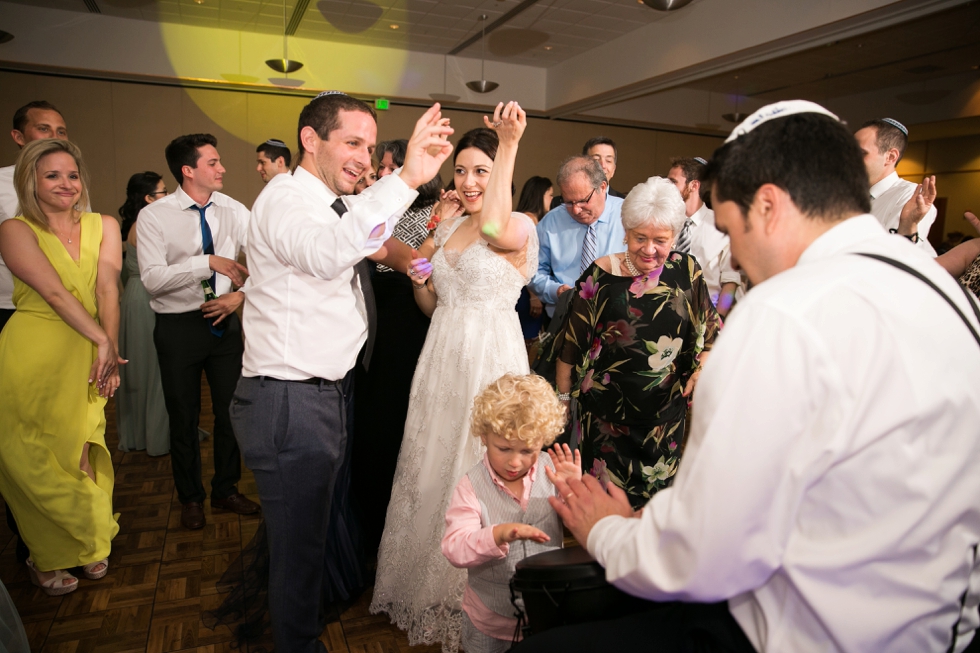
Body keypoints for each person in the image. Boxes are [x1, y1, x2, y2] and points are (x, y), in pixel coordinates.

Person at [514, 101, 980, 653]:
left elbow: (701, 558)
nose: (732, 259)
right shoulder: (941, 289)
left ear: (768, 205)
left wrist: (606, 529)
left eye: (731, 231)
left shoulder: (783, 313)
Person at [230, 91, 453, 653]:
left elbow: (370, 234)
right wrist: (405, 179)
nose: (362, 156)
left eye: (370, 147)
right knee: (299, 551)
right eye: (352, 143)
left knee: (311, 540)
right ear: (311, 139)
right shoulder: (285, 198)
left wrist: (409, 179)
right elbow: (330, 253)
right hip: (289, 401)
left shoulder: (332, 201)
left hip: (321, 395)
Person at [371, 102, 538, 652]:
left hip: (490, 357)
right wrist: (430, 241)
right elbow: (427, 295)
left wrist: (508, 143)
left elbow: (492, 221)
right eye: (462, 170)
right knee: (431, 461)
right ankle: (424, 584)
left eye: (481, 171)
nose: (468, 181)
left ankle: (477, 596)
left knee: (479, 462)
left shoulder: (516, 226)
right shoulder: (452, 225)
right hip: (442, 353)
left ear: (501, 175)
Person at [0, 138, 123, 596]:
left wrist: (107, 349)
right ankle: (43, 554)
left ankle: (87, 540)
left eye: (72, 175)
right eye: (52, 175)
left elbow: (109, 288)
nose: (66, 184)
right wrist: (103, 343)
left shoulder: (104, 224)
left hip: (89, 354)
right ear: (31, 179)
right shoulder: (15, 230)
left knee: (83, 449)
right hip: (33, 354)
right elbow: (53, 293)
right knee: (33, 458)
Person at [554, 176, 721, 508]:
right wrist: (562, 401)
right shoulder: (600, 275)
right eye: (640, 238)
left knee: (657, 517)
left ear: (675, 236)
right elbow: (571, 346)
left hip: (664, 422)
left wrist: (702, 369)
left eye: (661, 239)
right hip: (604, 420)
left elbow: (711, 335)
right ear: (625, 231)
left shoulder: (687, 271)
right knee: (604, 513)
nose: (650, 249)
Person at [137, 133, 258, 531]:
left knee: (231, 413)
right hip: (178, 327)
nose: (222, 168)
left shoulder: (235, 210)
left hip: (224, 320)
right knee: (183, 416)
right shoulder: (155, 216)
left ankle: (226, 489)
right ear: (188, 171)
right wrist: (206, 261)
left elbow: (265, 262)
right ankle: (190, 497)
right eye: (213, 163)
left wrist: (240, 297)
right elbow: (153, 280)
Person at [352, 137, 462, 554]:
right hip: (379, 319)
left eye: (386, 167)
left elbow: (420, 264)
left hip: (408, 318)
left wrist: (435, 230)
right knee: (376, 419)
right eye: (380, 168)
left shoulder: (431, 211)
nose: (380, 173)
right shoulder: (382, 207)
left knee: (399, 415)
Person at [442, 373, 580, 653]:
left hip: (547, 614)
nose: (515, 462)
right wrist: (497, 534)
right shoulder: (471, 487)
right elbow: (454, 547)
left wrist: (572, 494)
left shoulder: (551, 472)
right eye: (503, 448)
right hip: (489, 622)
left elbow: (582, 532)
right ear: (484, 436)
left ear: (543, 439)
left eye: (528, 449)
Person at [0, 100, 70, 567]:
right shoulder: (1, 189)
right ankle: (34, 545)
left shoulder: (71, 190)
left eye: (61, 129)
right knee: (21, 440)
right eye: (44, 128)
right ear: (19, 136)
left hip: (66, 325)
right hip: (10, 317)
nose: (55, 135)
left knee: (66, 436)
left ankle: (75, 534)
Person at [530, 157, 626, 319]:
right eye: (568, 202)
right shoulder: (551, 223)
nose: (575, 210)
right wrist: (556, 290)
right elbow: (533, 271)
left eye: (583, 201)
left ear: (602, 187)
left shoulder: (629, 217)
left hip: (618, 317)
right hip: (565, 318)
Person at [116, 171, 171, 455]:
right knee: (154, 370)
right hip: (147, 300)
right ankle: (156, 435)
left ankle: (145, 429)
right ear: (149, 198)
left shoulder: (135, 225)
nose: (169, 196)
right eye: (164, 192)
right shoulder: (145, 226)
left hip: (134, 298)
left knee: (144, 370)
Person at [666, 157, 742, 316]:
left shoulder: (720, 226)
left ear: (693, 185)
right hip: (666, 311)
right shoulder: (665, 222)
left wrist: (717, 320)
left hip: (704, 314)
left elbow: (730, 283)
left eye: (673, 182)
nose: (667, 188)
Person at [854, 117, 938, 254]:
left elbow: (898, 257)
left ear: (891, 157)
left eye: (861, 153)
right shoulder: (852, 196)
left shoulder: (911, 196)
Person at [514, 176, 552, 349]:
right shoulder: (527, 221)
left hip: (526, 291)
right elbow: (523, 261)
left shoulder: (526, 219)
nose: (552, 200)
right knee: (527, 344)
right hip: (527, 292)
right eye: (550, 195)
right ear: (540, 195)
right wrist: (535, 296)